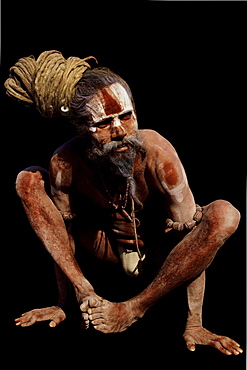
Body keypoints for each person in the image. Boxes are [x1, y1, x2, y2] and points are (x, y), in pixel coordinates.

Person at [5, 50, 242, 355]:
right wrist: (68, 299)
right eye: (103, 123)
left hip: (160, 253)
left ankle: (133, 309)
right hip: (105, 246)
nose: (119, 131)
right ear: (81, 128)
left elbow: (189, 237)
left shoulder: (158, 153)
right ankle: (83, 292)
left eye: (126, 117)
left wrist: (194, 323)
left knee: (224, 215)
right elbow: (60, 234)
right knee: (27, 180)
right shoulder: (65, 162)